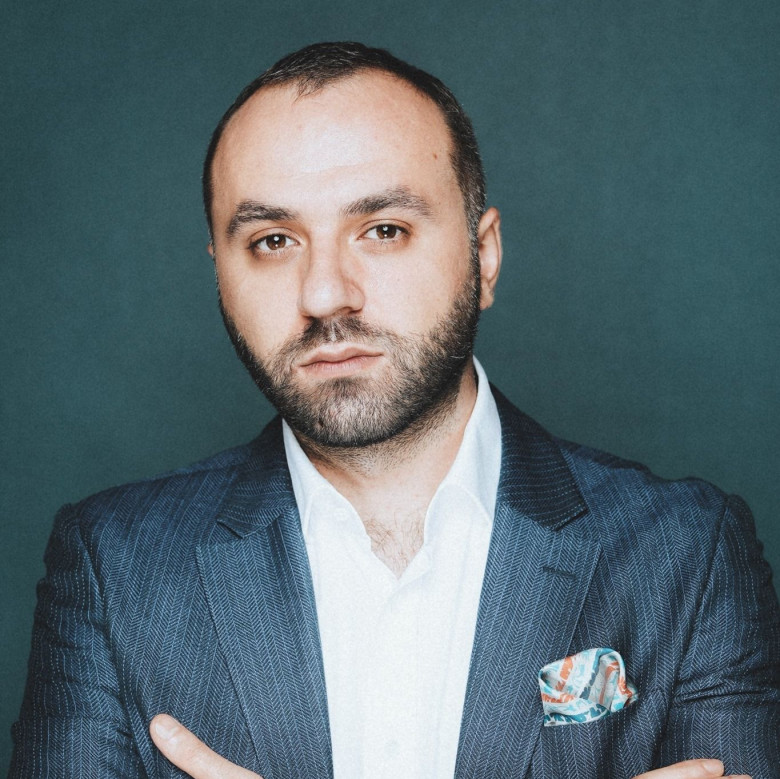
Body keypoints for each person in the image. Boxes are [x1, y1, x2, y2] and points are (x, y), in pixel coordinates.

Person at [10, 42, 779, 779]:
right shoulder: (115, 567)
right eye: (273, 240)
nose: (324, 294)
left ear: (484, 257)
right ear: (220, 272)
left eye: (383, 230)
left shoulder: (689, 554)